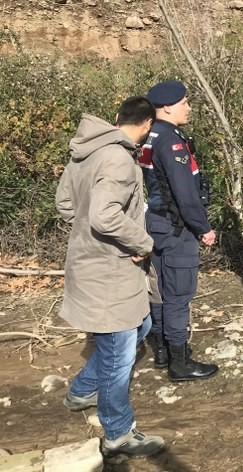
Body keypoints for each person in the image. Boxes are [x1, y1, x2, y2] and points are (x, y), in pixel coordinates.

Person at [57, 97, 165, 457]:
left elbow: (65, 205)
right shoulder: (118, 158)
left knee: (141, 328)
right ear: (147, 124)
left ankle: (82, 390)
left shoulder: (86, 152)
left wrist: (89, 238)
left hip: (91, 265)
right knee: (120, 355)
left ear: (117, 117)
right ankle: (118, 432)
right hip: (109, 273)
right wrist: (141, 241)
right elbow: (104, 216)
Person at [138, 80, 218, 382]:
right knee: (178, 293)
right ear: (168, 106)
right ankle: (180, 362)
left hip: (156, 223)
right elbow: (185, 193)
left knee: (159, 288)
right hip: (175, 227)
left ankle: (162, 350)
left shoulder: (148, 135)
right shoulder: (169, 140)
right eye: (185, 103)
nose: (189, 107)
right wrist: (203, 227)